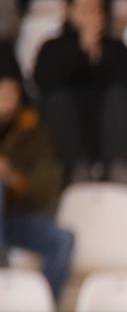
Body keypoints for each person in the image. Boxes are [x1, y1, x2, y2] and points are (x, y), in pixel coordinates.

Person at [32, 0, 127, 182]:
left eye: (97, 8)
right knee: (57, 100)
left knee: (120, 96)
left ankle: (116, 169)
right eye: (85, 7)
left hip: (108, 139)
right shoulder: (51, 48)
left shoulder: (116, 48)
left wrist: (99, 56)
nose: (92, 15)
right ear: (68, 10)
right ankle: (75, 170)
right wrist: (82, 51)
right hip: (69, 143)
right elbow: (45, 83)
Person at [0, 65, 73, 299]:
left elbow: (44, 187)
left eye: (12, 93)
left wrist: (11, 177)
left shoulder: (33, 133)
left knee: (63, 240)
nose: (7, 98)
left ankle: (44, 306)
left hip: (17, 218)